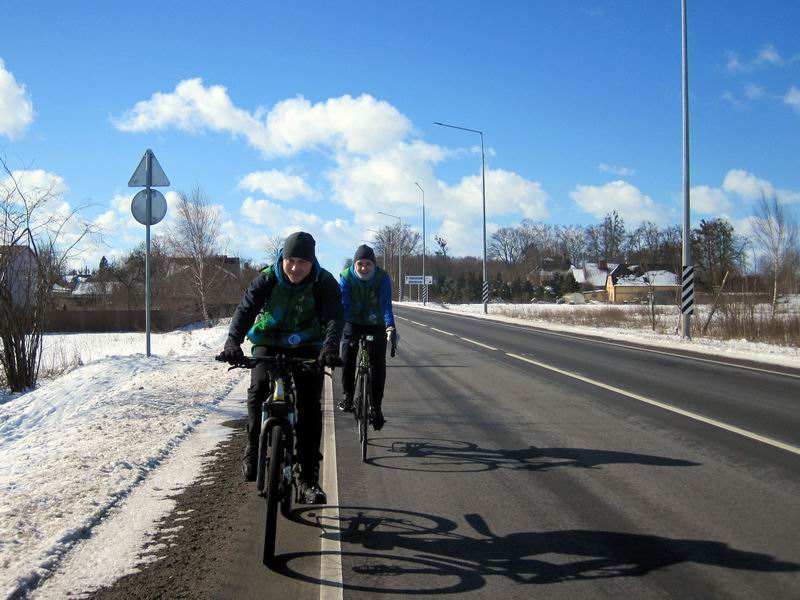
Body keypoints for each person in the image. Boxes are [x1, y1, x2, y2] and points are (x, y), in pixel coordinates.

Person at [220, 231, 342, 504]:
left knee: (310, 405)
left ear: (313, 262)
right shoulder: (267, 278)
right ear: (282, 258)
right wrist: (232, 341)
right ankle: (253, 445)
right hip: (269, 341)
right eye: (290, 260)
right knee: (258, 386)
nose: (295, 267)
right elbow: (246, 308)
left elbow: (334, 317)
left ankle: (308, 477)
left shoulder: (324, 282)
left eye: (303, 262)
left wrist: (330, 348)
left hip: (307, 344)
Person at [338, 244, 397, 430]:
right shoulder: (346, 277)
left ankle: (377, 407)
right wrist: (341, 328)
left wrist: (390, 327)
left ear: (374, 265)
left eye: (368, 264)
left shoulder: (382, 278)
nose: (364, 268)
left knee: (377, 365)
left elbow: (386, 305)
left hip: (376, 322)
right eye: (360, 264)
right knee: (347, 356)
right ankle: (348, 397)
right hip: (352, 321)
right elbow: (344, 305)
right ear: (355, 264)